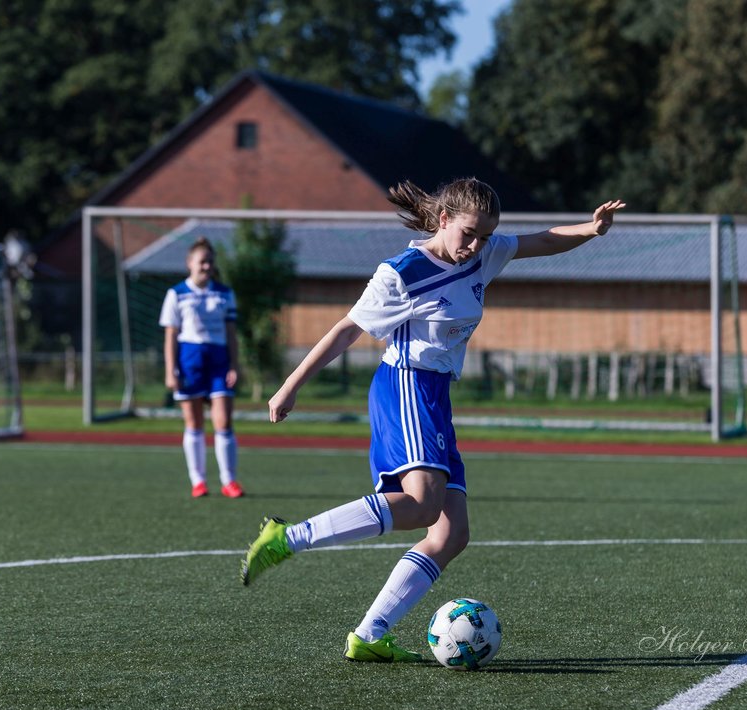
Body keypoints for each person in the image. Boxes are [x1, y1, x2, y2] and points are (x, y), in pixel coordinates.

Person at [240, 177, 624, 662]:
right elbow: (345, 331)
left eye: (486, 236)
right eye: (468, 233)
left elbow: (544, 240)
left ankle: (370, 634)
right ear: (443, 220)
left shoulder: (483, 253)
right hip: (404, 385)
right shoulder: (402, 272)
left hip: (436, 395)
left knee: (450, 534)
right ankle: (287, 538)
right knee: (422, 506)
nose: (477, 245)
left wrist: (592, 228)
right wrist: (288, 387)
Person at [160, 236, 244, 499]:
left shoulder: (224, 293)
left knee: (224, 420)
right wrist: (170, 369)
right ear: (190, 263)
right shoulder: (176, 294)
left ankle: (229, 481)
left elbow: (231, 333)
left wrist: (234, 365)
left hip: (218, 362)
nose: (206, 266)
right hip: (190, 362)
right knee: (194, 422)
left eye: (210, 262)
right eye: (202, 262)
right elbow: (171, 336)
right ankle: (198, 481)